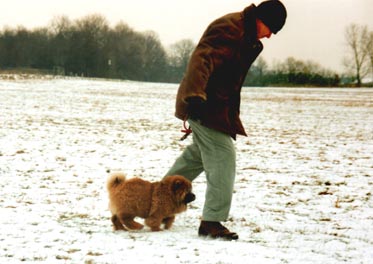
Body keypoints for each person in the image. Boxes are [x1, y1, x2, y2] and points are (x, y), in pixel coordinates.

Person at [165, 0, 287, 240]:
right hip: (204, 103)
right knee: (223, 156)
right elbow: (203, 58)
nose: (270, 36)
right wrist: (195, 95)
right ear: (261, 19)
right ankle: (211, 221)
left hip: (216, 106)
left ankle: (158, 201)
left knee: (196, 157)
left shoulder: (245, 33)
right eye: (271, 29)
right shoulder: (231, 28)